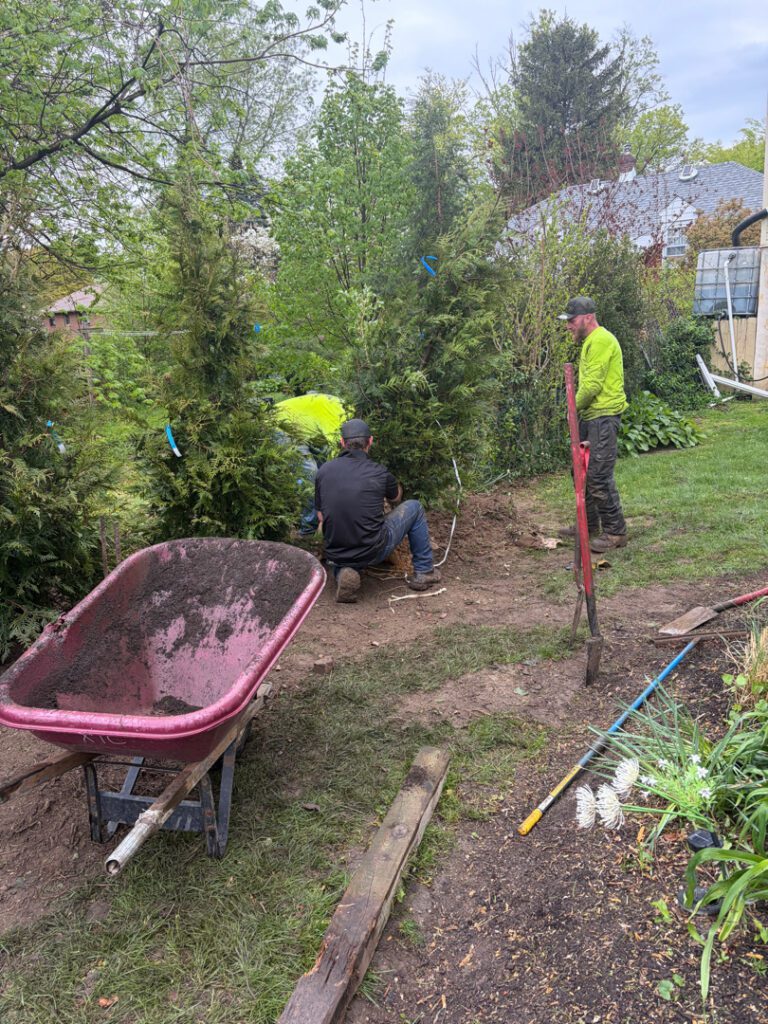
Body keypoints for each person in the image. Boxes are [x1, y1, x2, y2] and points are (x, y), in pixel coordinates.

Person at [314, 418, 442, 603]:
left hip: (335, 551)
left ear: (342, 442)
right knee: (415, 507)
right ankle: (425, 571)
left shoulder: (324, 471)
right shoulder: (379, 472)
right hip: (373, 550)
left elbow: (320, 515)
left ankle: (344, 572)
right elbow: (395, 497)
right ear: (370, 441)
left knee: (341, 550)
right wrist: (393, 484)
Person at [558, 296, 628, 553]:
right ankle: (587, 525)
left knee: (598, 476)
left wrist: (571, 409)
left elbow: (591, 386)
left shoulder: (600, 340)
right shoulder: (591, 341)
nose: (568, 325)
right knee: (581, 473)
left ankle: (616, 532)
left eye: (572, 320)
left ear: (588, 317)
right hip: (592, 416)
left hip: (603, 417)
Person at [273, 393, 351, 535]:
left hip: (304, 429)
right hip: (278, 427)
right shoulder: (337, 416)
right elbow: (336, 459)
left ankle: (321, 515)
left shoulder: (347, 412)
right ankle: (308, 529)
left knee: (322, 469)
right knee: (311, 473)